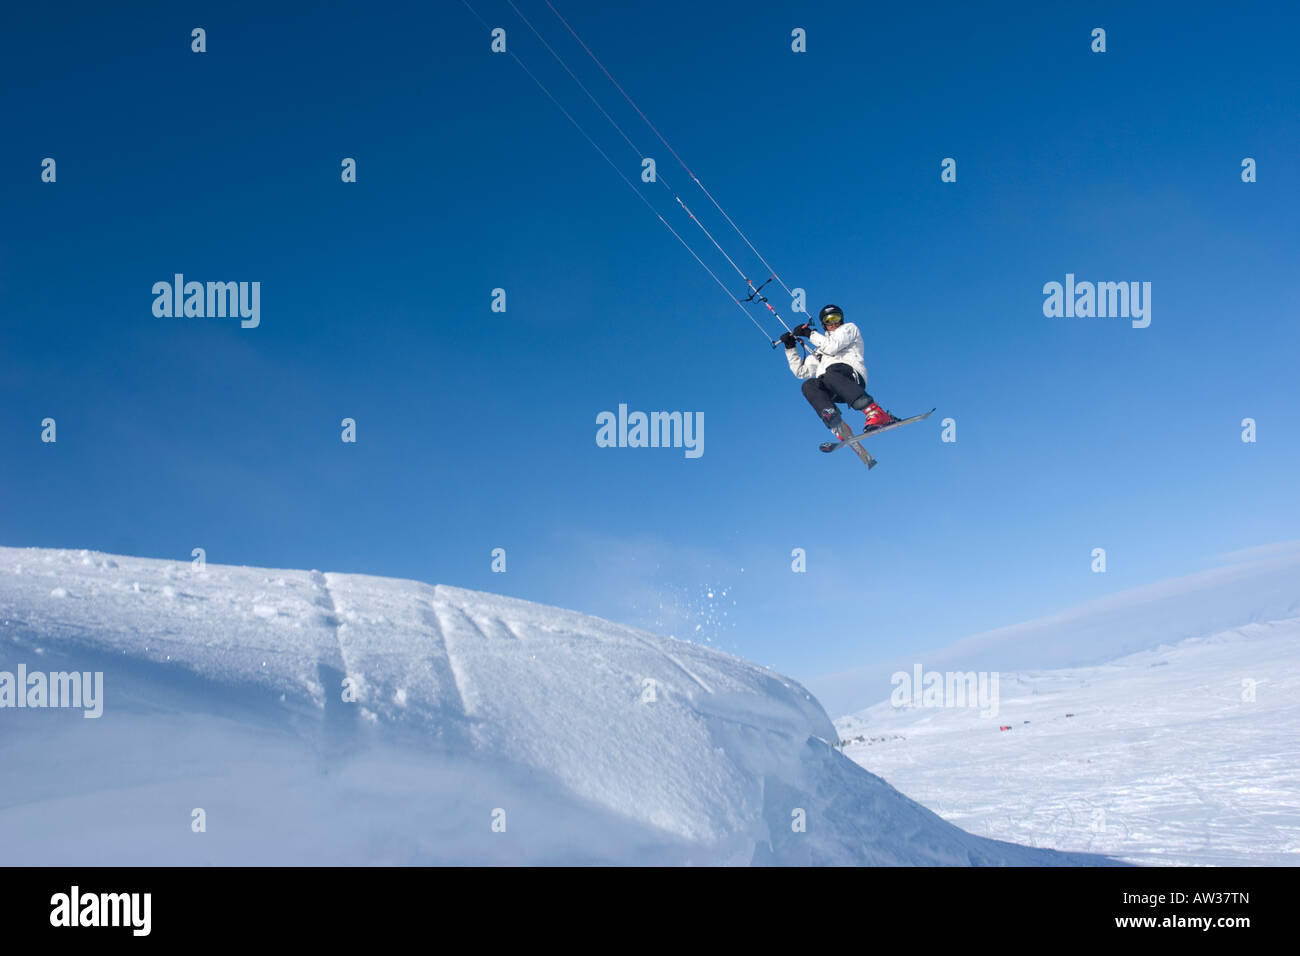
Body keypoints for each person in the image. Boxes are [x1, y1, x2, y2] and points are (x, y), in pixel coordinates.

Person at [780, 304, 892, 436]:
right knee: (808, 385)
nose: (833, 323)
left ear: (841, 319)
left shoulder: (849, 329)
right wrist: (790, 347)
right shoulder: (820, 350)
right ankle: (835, 423)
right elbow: (801, 372)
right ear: (824, 324)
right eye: (829, 320)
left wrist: (810, 334)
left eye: (836, 318)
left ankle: (875, 412)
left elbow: (833, 346)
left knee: (831, 373)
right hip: (833, 385)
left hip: (851, 377)